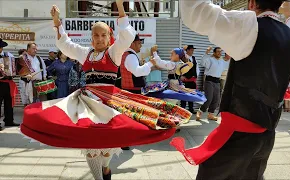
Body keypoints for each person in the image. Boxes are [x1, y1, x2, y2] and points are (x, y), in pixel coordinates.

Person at [20, 2, 187, 180]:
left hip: (109, 101)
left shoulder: (114, 52)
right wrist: (56, 21)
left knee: (108, 142)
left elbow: (126, 36)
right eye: (96, 35)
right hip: (86, 102)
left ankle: (106, 168)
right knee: (91, 146)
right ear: (91, 38)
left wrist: (121, 7)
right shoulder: (86, 53)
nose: (99, 39)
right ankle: (100, 176)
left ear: (109, 38)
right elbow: (65, 44)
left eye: (103, 35)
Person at [170, 1, 290, 179]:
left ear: (251, 3)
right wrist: (289, 15)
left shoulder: (249, 25)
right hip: (267, 134)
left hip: (239, 133)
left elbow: (196, 12)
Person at [196, 46, 229, 121]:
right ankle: (200, 111)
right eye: (218, 51)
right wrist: (207, 53)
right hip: (209, 80)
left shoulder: (222, 61)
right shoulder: (210, 59)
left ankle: (210, 114)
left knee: (216, 99)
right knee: (209, 98)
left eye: (220, 51)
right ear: (214, 53)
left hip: (217, 81)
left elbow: (227, 61)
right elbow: (203, 63)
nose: (219, 53)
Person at [0, 39, 19, 129]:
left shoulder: (8, 55)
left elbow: (15, 66)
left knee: (9, 103)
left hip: (8, 83)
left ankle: (9, 121)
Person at [180, 45, 199, 114]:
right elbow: (180, 67)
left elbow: (196, 68)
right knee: (184, 95)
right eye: (191, 50)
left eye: (193, 50)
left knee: (191, 94)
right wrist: (181, 76)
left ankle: (191, 108)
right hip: (185, 79)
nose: (192, 51)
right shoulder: (182, 57)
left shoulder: (194, 58)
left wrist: (196, 76)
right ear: (187, 50)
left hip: (192, 79)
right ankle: (182, 109)